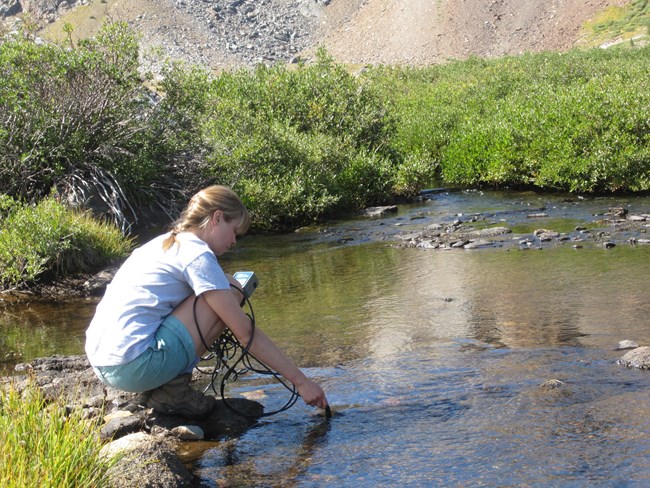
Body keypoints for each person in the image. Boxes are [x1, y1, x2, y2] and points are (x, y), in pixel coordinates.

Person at [85, 185, 328, 418]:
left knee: (222, 290)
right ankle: (173, 393)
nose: (234, 241)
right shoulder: (197, 254)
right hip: (134, 366)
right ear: (217, 218)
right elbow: (244, 333)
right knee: (231, 293)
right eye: (234, 231)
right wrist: (301, 382)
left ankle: (159, 387)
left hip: (104, 365)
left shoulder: (162, 243)